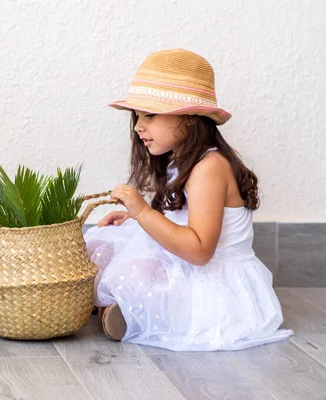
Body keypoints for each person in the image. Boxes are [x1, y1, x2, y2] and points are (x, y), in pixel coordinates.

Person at [85, 48, 293, 351]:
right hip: (183, 258)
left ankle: (125, 311)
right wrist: (134, 219)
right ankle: (115, 304)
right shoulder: (182, 161)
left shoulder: (209, 168)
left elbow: (198, 252)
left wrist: (143, 211)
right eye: (137, 116)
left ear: (190, 118)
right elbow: (180, 219)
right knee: (104, 242)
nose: (139, 126)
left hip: (211, 282)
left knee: (139, 271)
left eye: (150, 115)